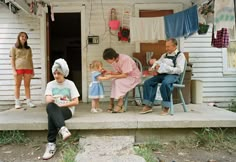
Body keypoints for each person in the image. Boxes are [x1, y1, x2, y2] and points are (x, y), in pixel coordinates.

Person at [42, 58, 80, 160]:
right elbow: (47, 99)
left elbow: (76, 101)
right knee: (50, 106)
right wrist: (49, 98)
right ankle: (63, 129)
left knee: (52, 115)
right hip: (54, 107)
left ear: (63, 73)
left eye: (58, 73)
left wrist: (62, 106)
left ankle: (51, 143)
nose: (56, 75)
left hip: (67, 110)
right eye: (54, 73)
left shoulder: (70, 84)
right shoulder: (50, 84)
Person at [140, 38, 186, 115]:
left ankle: (166, 106)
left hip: (173, 76)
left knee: (165, 83)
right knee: (148, 82)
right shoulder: (165, 55)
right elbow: (158, 62)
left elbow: (179, 70)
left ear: (174, 46)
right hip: (162, 75)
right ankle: (148, 105)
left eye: (168, 46)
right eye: (166, 46)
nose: (166, 48)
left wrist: (165, 68)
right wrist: (154, 67)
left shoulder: (180, 55)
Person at [103, 48, 141, 113]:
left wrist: (111, 76)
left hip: (133, 77)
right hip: (126, 76)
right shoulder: (114, 61)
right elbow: (119, 72)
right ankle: (111, 102)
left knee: (118, 81)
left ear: (112, 57)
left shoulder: (125, 59)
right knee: (113, 80)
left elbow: (125, 75)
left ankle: (120, 103)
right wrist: (110, 72)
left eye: (107, 60)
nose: (107, 61)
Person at [10, 32, 36, 109]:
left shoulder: (29, 48)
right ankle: (17, 102)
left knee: (27, 86)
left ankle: (29, 101)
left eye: (25, 36)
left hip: (28, 68)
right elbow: (12, 59)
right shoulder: (14, 47)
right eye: (22, 36)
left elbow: (30, 60)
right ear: (19, 37)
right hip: (18, 68)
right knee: (17, 85)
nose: (24, 38)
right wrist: (14, 70)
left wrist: (33, 70)